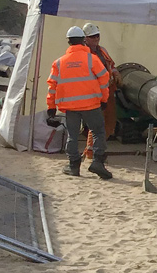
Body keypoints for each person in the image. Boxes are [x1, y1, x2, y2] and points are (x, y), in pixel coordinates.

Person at [46, 26, 112, 179]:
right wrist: (104, 99)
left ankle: (73, 166)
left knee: (73, 136)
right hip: (92, 105)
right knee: (98, 132)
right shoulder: (92, 59)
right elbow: (104, 79)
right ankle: (97, 162)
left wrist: (51, 107)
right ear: (83, 40)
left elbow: (52, 86)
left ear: (68, 42)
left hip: (70, 107)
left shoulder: (59, 63)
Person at [80, 23, 120, 162]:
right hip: (94, 93)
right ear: (85, 38)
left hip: (107, 91)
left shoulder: (102, 50)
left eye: (97, 35)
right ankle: (91, 152)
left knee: (109, 122)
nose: (96, 38)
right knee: (97, 123)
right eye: (93, 36)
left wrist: (115, 73)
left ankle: (98, 148)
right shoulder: (84, 54)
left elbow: (111, 65)